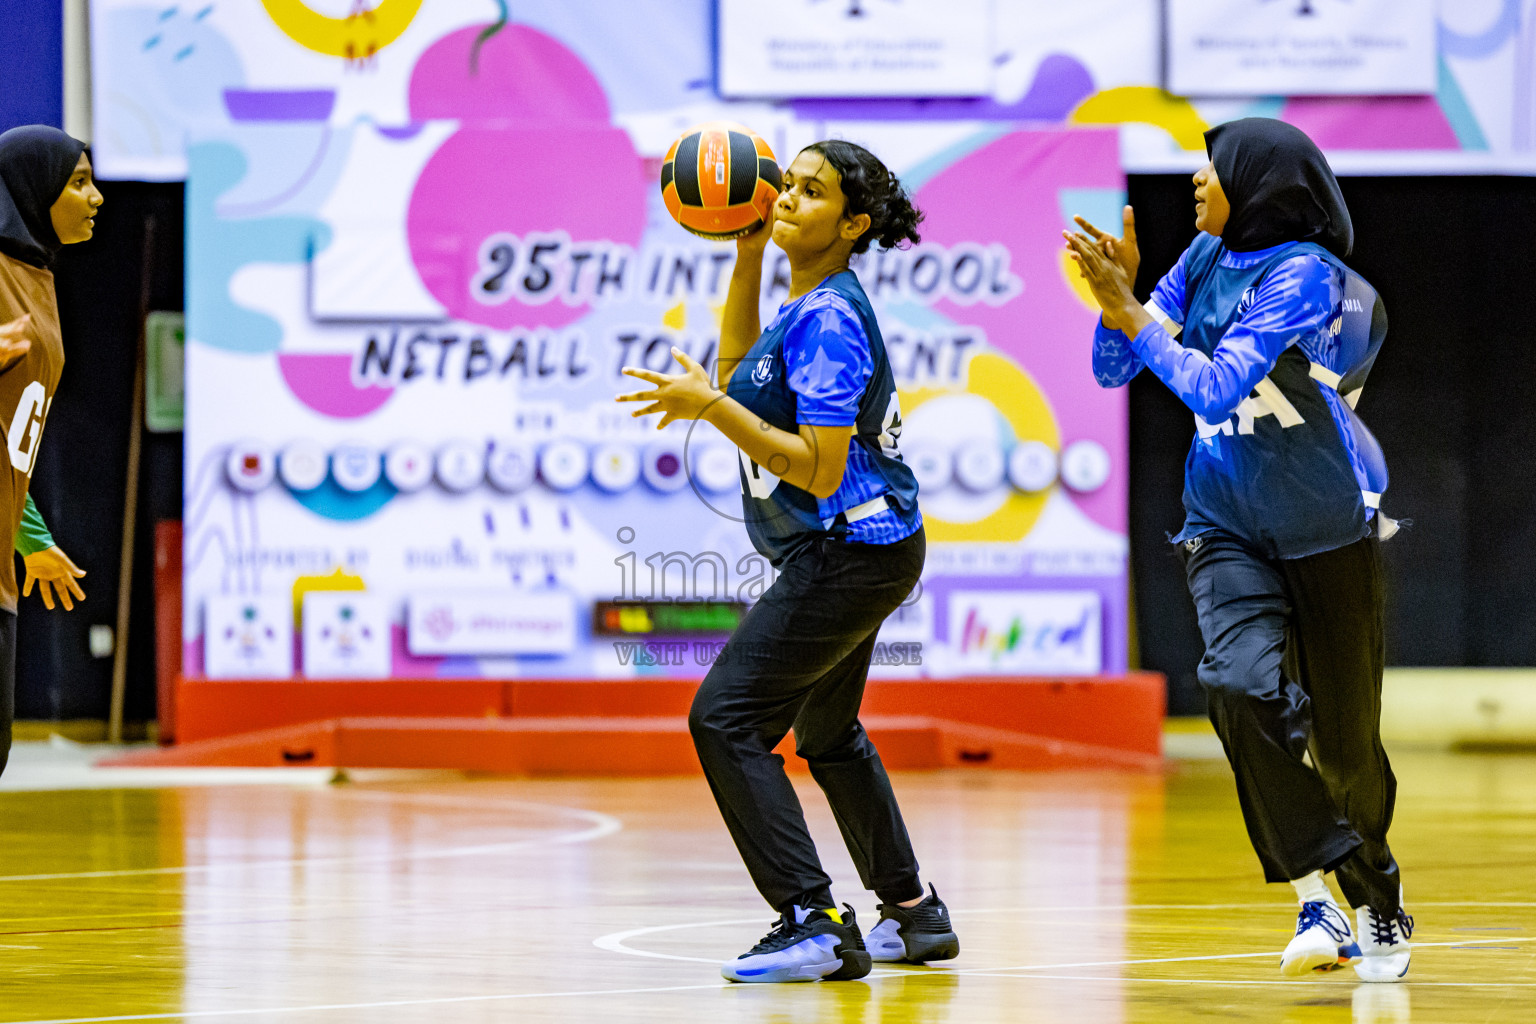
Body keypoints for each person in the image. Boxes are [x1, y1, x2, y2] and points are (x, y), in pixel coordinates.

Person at [1064, 118, 1412, 983]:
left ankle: (1375, 891)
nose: (1194, 183)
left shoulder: (1305, 276)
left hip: (1325, 527)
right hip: (1221, 520)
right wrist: (1124, 301)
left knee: (1348, 748)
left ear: (1258, 185)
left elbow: (1213, 383)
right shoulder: (1203, 259)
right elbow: (1117, 368)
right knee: (1233, 684)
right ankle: (1318, 899)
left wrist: (1132, 311)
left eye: (1209, 170)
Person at [617, 139, 959, 983]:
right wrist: (747, 261)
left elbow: (818, 466)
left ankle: (810, 920)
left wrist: (708, 409)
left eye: (811, 192)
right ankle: (913, 915)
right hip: (865, 549)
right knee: (828, 730)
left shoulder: (833, 319)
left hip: (851, 550)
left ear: (852, 224)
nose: (786, 199)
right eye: (788, 185)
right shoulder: (804, 305)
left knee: (724, 719)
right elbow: (740, 381)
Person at [0, 125, 104, 774]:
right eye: (78, 182)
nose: (95, 198)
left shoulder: (33, 273)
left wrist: (31, 539)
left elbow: (10, 438)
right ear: (31, 190)